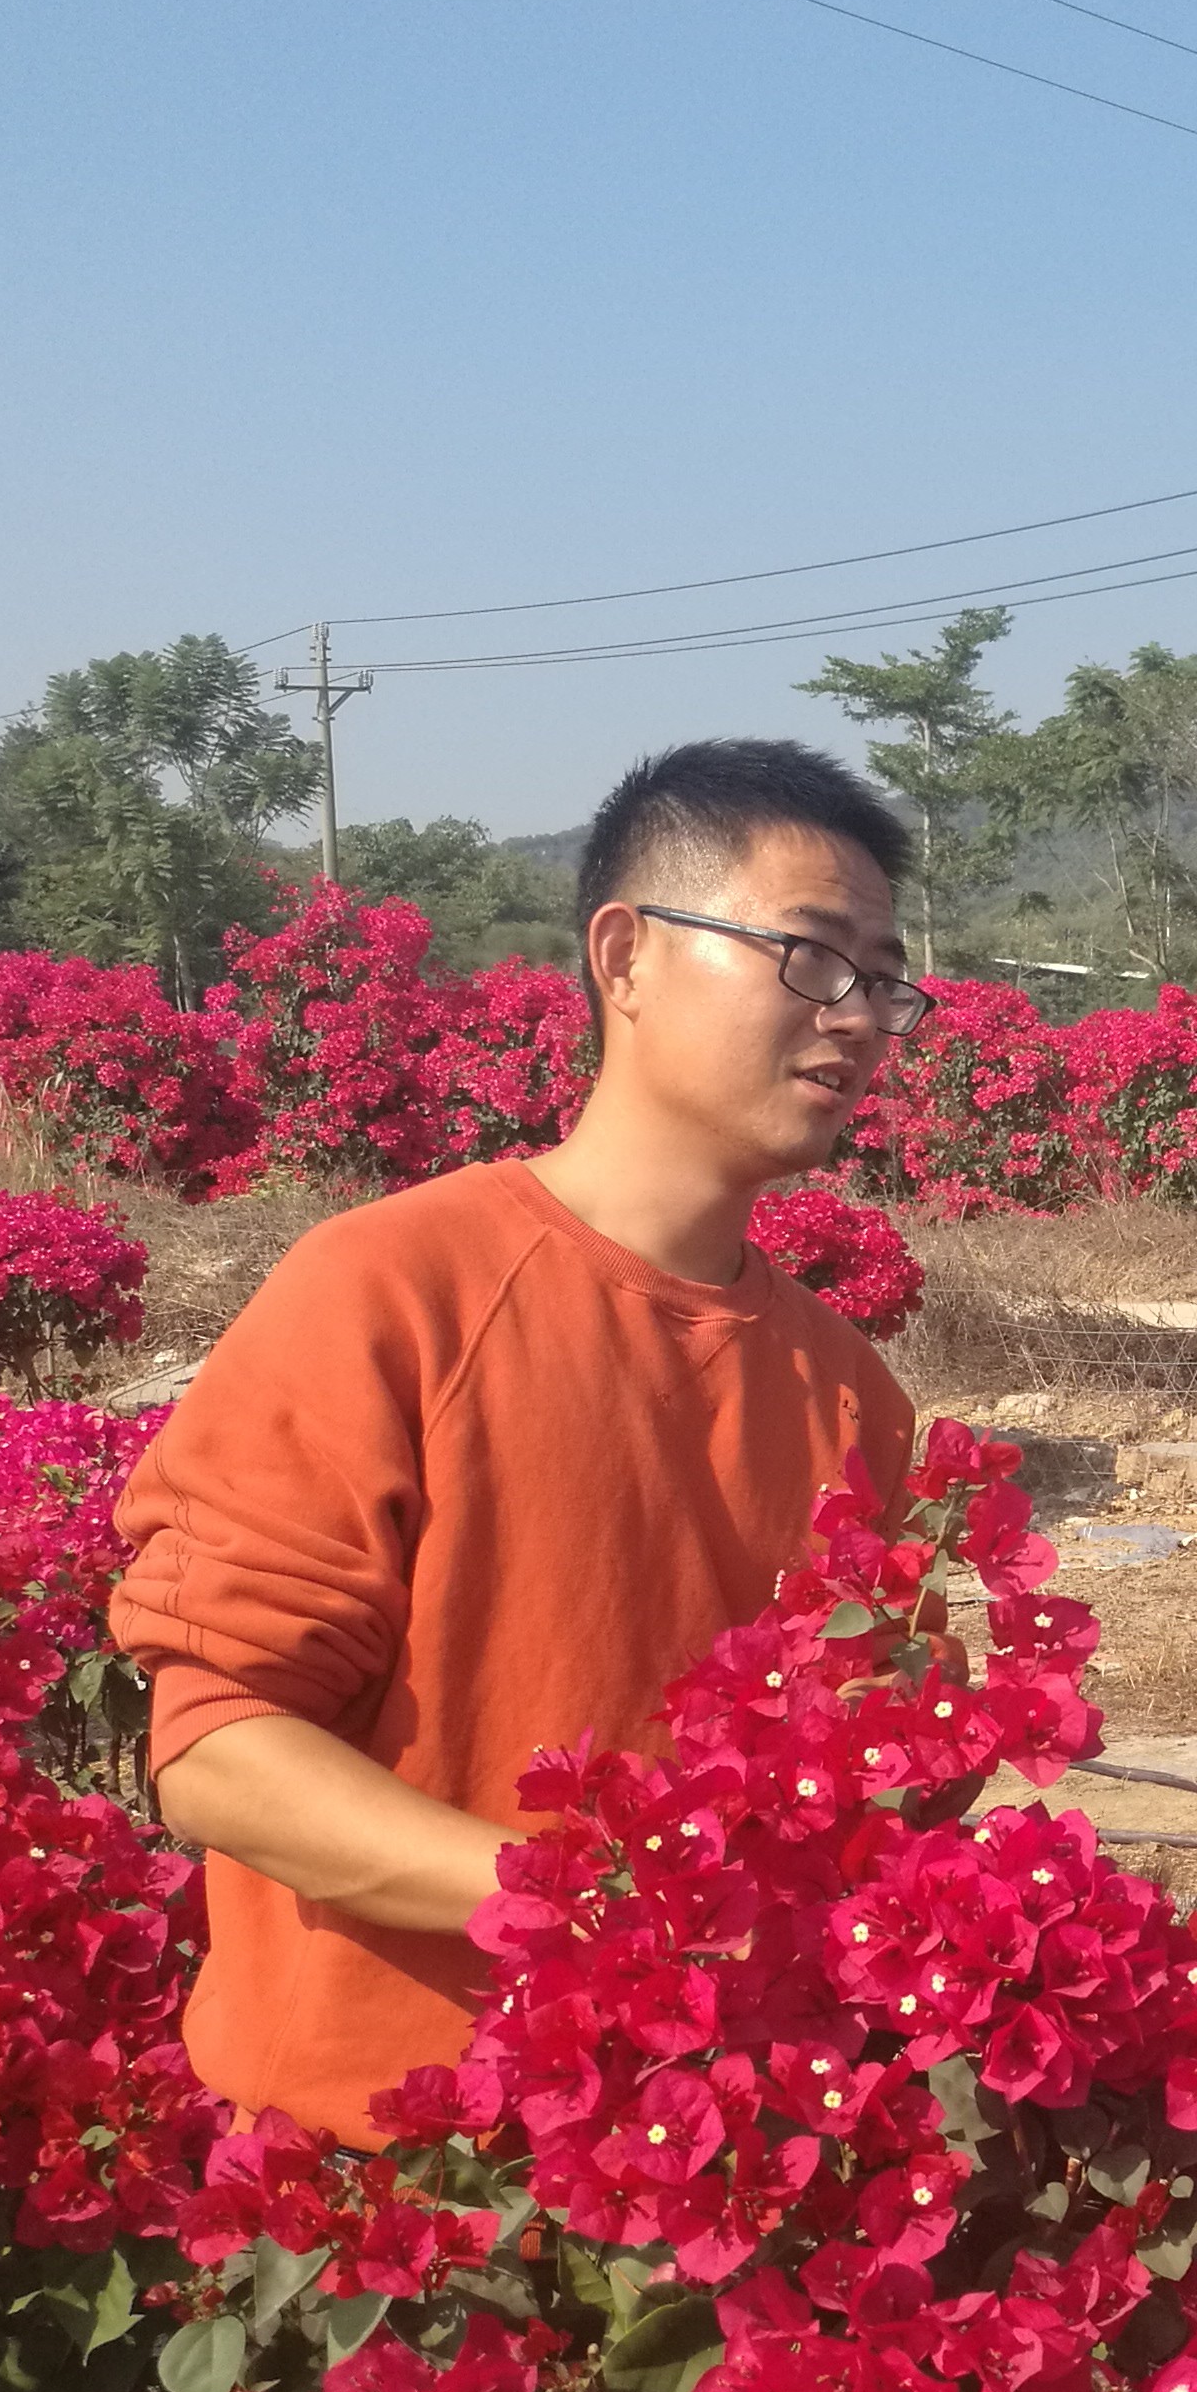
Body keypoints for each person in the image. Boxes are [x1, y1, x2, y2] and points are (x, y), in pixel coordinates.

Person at [112, 737, 929, 2142]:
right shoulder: (396, 1291)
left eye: (882, 976)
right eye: (808, 955)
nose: (855, 1014)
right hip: (401, 2185)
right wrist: (588, 1905)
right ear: (624, 955)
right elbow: (220, 1751)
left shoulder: (850, 1391)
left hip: (717, 2160)